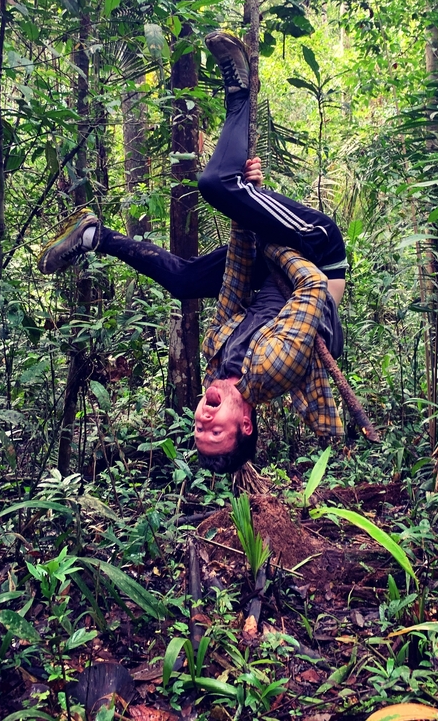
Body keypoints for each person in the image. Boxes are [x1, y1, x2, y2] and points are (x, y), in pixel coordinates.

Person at [38, 32, 348, 472]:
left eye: (199, 430)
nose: (203, 419)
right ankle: (241, 93)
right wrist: (261, 228)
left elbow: (237, 281)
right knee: (214, 184)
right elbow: (312, 285)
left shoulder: (221, 357)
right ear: (245, 423)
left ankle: (93, 237)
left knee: (185, 279)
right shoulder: (271, 369)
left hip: (267, 264)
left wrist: (248, 209)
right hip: (316, 255)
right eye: (215, 429)